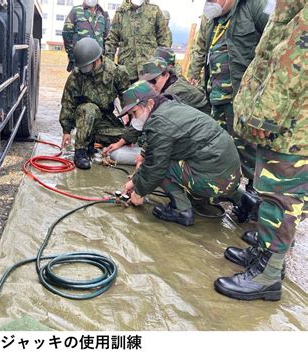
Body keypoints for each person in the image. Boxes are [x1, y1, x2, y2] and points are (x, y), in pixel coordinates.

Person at [214, 0, 307, 301]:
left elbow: (297, 61)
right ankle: (263, 256)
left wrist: (264, 114)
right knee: (269, 192)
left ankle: (268, 276)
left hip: (293, 122)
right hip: (282, 117)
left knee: (282, 199)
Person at [118, 81, 241, 226]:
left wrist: (138, 192)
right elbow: (153, 153)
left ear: (150, 103)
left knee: (162, 168)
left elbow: (155, 166)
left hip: (215, 177)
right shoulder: (171, 107)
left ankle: (181, 210)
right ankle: (241, 198)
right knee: (161, 162)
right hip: (231, 174)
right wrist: (135, 181)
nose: (134, 119)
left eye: (134, 113)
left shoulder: (160, 122)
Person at [192, 0, 274, 180]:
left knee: (248, 153)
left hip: (242, 99)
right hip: (217, 97)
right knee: (223, 149)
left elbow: (277, 44)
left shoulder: (254, 7)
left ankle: (255, 198)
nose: (209, 3)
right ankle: (232, 193)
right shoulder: (213, 18)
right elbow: (202, 49)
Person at [59, 38, 130, 170]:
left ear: (97, 60)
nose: (83, 70)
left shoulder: (116, 72)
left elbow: (128, 100)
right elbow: (68, 102)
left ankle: (91, 138)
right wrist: (66, 130)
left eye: (86, 66)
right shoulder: (76, 76)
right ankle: (81, 152)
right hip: (84, 115)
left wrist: (130, 121)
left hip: (104, 119)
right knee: (89, 109)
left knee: (127, 137)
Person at [105, 0, 171, 82]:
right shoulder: (121, 13)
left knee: (151, 94)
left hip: (150, 70)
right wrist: (108, 67)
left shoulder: (154, 11)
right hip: (127, 70)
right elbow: (112, 40)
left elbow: (164, 40)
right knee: (129, 94)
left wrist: (162, 65)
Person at [140, 57, 210, 115]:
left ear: (166, 75)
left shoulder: (174, 92)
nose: (151, 85)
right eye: (147, 81)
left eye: (153, 80)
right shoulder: (172, 82)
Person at [62, 1, 110, 72]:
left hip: (98, 64)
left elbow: (108, 39)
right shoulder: (76, 11)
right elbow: (66, 34)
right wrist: (72, 57)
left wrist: (105, 60)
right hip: (80, 62)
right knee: (78, 82)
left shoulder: (104, 15)